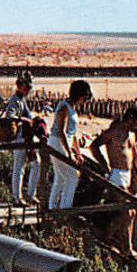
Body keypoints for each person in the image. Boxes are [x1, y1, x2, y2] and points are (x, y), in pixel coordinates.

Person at [91, 106, 137, 258]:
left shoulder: (131, 135)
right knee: (128, 212)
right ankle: (126, 247)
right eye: (136, 123)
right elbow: (94, 145)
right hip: (117, 175)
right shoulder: (115, 131)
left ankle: (108, 235)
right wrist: (105, 166)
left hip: (127, 176)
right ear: (129, 118)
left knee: (129, 212)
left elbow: (135, 158)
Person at [47, 80, 93, 212]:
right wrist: (69, 153)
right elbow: (61, 131)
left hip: (62, 142)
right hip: (57, 142)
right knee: (72, 177)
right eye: (84, 98)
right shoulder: (64, 108)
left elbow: (72, 135)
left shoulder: (71, 108)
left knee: (60, 178)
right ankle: (64, 209)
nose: (84, 102)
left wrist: (77, 153)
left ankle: (53, 208)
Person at [2, 72, 40, 204]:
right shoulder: (15, 100)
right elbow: (9, 116)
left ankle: (30, 194)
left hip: (26, 138)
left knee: (36, 164)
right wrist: (23, 119)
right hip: (19, 137)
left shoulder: (21, 100)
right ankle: (17, 197)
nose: (28, 90)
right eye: (27, 87)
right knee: (19, 167)